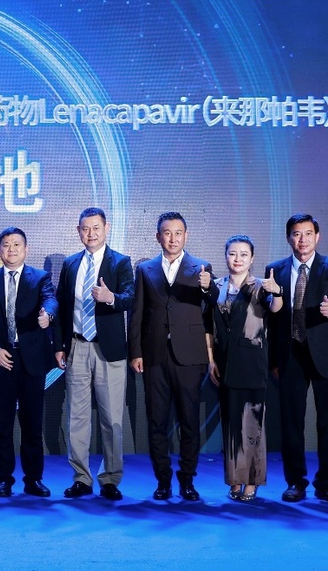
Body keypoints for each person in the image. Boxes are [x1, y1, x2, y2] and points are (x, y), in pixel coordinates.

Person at [266, 213, 328, 504]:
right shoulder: (275, 269)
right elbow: (271, 317)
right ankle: (295, 482)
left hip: (327, 354)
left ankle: (326, 482)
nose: (301, 239)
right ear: (288, 238)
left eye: (307, 233)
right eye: (296, 234)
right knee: (291, 422)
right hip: (290, 354)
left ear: (317, 236)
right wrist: (273, 359)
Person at [128, 212, 213, 501]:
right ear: (158, 236)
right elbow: (137, 314)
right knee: (157, 422)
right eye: (167, 233)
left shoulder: (201, 267)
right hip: (154, 356)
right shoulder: (145, 269)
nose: (173, 238)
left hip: (189, 356)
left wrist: (208, 286)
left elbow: (212, 304)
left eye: (178, 233)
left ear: (186, 236)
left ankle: (187, 479)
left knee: (189, 421)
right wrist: (136, 351)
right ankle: (162, 480)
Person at [55, 207, 134, 501]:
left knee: (112, 418)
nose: (91, 234)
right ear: (78, 231)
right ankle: (81, 478)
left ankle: (110, 478)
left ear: (106, 228)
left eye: (96, 228)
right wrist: (59, 345)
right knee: (76, 417)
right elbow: (62, 306)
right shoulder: (70, 264)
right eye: (85, 229)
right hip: (77, 346)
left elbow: (131, 297)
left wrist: (110, 297)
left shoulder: (120, 262)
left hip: (108, 349)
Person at [0, 227, 58, 497]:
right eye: (6, 245)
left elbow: (50, 300)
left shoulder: (40, 277)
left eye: (17, 244)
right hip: (1, 359)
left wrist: (48, 315)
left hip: (32, 359)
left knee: (32, 423)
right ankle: (4, 479)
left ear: (26, 249)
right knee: (2, 423)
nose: (11, 249)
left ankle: (33, 479)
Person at [207, 235, 281, 502]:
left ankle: (252, 480)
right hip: (224, 365)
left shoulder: (262, 286)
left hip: (252, 364)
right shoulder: (215, 287)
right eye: (232, 254)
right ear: (225, 256)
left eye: (243, 254)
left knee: (252, 425)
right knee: (231, 427)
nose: (237, 259)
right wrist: (211, 360)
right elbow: (208, 326)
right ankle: (235, 480)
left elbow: (276, 308)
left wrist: (277, 292)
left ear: (252, 258)